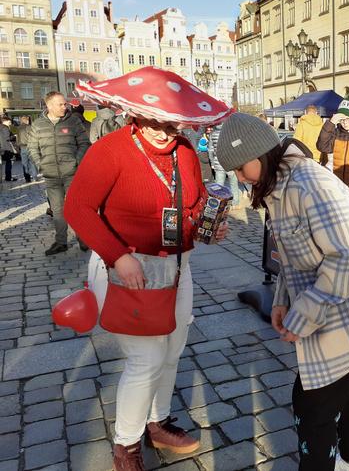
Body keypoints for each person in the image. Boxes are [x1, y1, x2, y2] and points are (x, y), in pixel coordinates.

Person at [216, 112, 349, 471]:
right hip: (333, 306)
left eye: (241, 168)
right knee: (341, 385)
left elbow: (346, 257)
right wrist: (281, 300)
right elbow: (291, 258)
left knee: (311, 406)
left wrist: (303, 313)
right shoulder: (279, 187)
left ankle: (346, 462)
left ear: (261, 154)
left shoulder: (308, 185)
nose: (240, 179)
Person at [63, 67, 231, 471]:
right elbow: (77, 209)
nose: (161, 129)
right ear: (134, 113)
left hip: (176, 265)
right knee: (146, 358)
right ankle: (127, 444)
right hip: (126, 265)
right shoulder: (111, 149)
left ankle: (157, 422)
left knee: (172, 349)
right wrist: (117, 255)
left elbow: (191, 204)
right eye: (153, 119)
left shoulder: (186, 150)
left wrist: (207, 225)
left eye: (170, 122)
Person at [27, 92, 90, 255]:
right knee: (57, 210)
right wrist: (40, 164)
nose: (65, 107)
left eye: (65, 104)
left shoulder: (74, 121)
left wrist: (76, 162)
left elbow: (84, 143)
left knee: (76, 207)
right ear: (49, 106)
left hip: (72, 173)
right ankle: (61, 242)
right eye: (60, 104)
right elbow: (32, 147)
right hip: (51, 176)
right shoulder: (38, 124)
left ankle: (83, 239)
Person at [208, 124, 241, 209]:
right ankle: (235, 203)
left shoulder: (213, 133)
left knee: (219, 186)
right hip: (231, 162)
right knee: (233, 184)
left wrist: (212, 162)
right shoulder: (231, 132)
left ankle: (218, 205)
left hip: (218, 162)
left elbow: (210, 150)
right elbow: (237, 145)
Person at [16, 116, 37, 182]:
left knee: (24, 163)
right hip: (30, 147)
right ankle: (34, 177)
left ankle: (27, 178)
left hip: (22, 147)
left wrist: (18, 146)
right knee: (32, 162)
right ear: (27, 120)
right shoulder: (29, 127)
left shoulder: (18, 128)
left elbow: (17, 139)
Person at [0, 116, 17, 182]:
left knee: (2, 164)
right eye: (9, 122)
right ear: (5, 121)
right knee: (9, 163)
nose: (10, 123)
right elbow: (7, 138)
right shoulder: (5, 128)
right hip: (7, 148)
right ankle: (8, 177)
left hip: (2, 148)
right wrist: (14, 136)